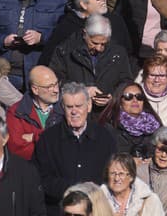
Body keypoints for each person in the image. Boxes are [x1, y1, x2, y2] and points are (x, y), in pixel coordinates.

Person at [33, 82, 117, 212]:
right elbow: (41, 178)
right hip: (60, 209)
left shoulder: (105, 137)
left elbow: (112, 175)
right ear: (62, 108)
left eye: (79, 106)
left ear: (88, 106)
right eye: (69, 107)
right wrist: (73, 190)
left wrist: (92, 194)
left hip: (95, 209)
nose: (74, 112)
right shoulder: (48, 139)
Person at [99, 152, 165, 216]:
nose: (116, 178)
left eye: (121, 174)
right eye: (112, 173)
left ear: (131, 176)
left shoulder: (150, 201)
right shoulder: (96, 201)